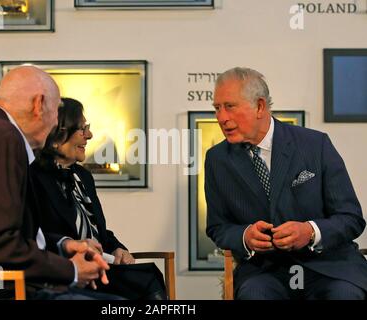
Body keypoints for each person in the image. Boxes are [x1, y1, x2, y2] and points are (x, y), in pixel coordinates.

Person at [0, 66, 117, 300]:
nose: (56, 122)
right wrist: (71, 270)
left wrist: (63, 245)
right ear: (39, 105)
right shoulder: (2, 138)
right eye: (57, 110)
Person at [205, 67, 367, 300]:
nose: (221, 118)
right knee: (254, 295)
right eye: (217, 108)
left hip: (330, 267)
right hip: (264, 272)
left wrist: (310, 231)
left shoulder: (315, 145)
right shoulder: (217, 159)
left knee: (345, 295)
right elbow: (218, 227)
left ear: (260, 106)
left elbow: (351, 218)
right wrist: (246, 236)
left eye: (230, 106)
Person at [30, 97, 167, 300]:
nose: (90, 135)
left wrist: (117, 248)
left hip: (101, 267)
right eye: (82, 129)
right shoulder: (33, 176)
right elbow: (34, 235)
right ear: (58, 137)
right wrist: (71, 245)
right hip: (66, 274)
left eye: (88, 128)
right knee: (145, 281)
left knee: (149, 275)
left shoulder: (83, 177)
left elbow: (99, 231)